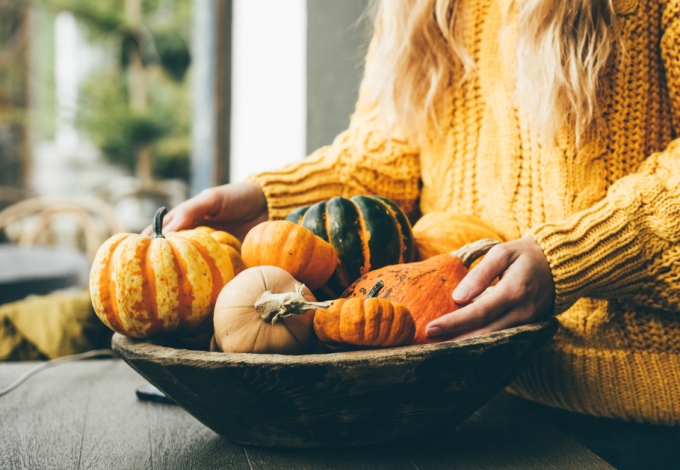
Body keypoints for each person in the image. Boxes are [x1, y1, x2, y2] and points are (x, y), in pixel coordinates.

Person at [146, 0, 680, 425]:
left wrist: (575, 257)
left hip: (638, 413)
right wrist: (273, 200)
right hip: (467, 392)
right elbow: (393, 152)